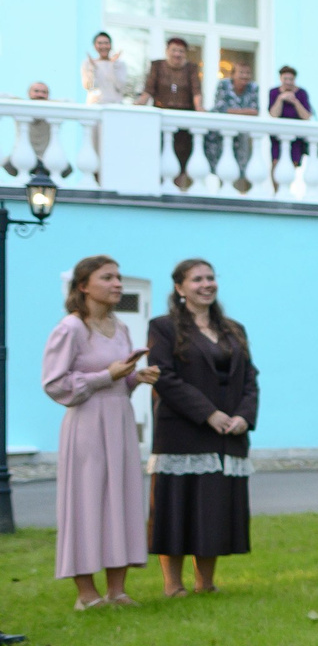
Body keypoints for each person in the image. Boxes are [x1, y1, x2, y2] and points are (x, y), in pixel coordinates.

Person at [43, 255, 159, 608]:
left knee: (120, 498)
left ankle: (117, 589)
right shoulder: (71, 328)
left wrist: (135, 378)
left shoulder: (121, 327)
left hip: (119, 421)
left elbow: (117, 381)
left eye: (119, 278)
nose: (118, 284)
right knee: (87, 499)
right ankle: (86, 593)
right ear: (83, 286)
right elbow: (55, 384)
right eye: (107, 278)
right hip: (87, 424)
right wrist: (106, 375)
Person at [145, 258, 257, 597]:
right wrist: (208, 413)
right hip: (183, 429)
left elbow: (250, 378)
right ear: (180, 288)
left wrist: (243, 416)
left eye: (210, 278)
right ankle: (172, 585)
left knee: (213, 506)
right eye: (197, 280)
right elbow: (165, 376)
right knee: (178, 505)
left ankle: (205, 583)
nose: (207, 284)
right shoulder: (163, 327)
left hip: (227, 433)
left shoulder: (233, 329)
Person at [143, 37, 203, 111]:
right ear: (167, 51)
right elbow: (149, 89)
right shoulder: (157, 66)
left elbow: (196, 92)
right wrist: (139, 105)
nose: (177, 54)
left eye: (181, 51)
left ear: (185, 53)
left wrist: (199, 108)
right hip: (160, 111)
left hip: (185, 112)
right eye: (173, 50)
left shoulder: (191, 68)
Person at [82, 33, 131, 105]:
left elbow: (120, 86)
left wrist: (113, 66)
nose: (103, 46)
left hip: (115, 105)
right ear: (94, 46)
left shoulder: (119, 64)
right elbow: (88, 86)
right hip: (95, 105)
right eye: (100, 43)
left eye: (106, 43)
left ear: (111, 45)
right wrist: (92, 68)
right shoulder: (88, 63)